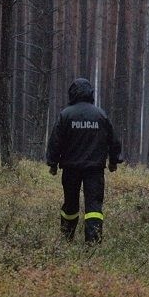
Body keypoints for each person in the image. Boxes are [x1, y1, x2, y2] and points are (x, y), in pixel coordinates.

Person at [46, 78, 122, 244]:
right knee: (94, 207)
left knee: (70, 205)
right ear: (90, 93)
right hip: (94, 170)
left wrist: (52, 163)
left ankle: (67, 239)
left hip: (70, 169)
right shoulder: (100, 115)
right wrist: (114, 161)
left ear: (72, 93)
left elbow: (55, 141)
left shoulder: (65, 115)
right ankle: (93, 243)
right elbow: (114, 141)